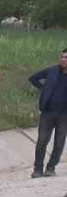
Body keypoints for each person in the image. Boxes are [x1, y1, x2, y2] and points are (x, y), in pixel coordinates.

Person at [28, 48, 67, 178]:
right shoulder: (52, 71)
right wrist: (43, 89)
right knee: (42, 141)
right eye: (62, 57)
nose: (63, 60)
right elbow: (33, 78)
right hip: (48, 112)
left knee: (59, 142)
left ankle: (51, 167)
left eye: (66, 58)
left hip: (64, 115)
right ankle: (37, 169)